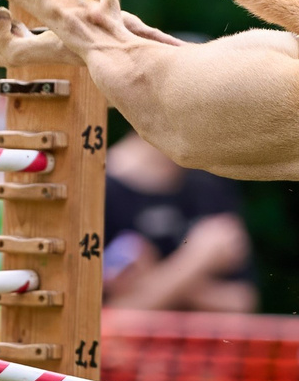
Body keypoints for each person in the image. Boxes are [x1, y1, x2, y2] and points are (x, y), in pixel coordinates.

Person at [104, 132, 256, 311]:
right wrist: (198, 260)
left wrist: (152, 282)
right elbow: (113, 313)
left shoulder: (209, 184)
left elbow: (241, 302)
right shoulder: (102, 185)